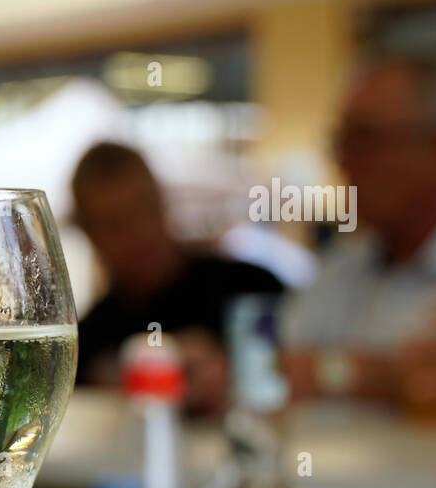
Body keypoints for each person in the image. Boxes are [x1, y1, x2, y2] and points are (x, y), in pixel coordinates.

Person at [280, 54, 436, 407]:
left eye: (365, 139)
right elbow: (278, 367)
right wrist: (387, 376)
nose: (342, 161)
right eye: (341, 140)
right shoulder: (344, 264)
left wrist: (334, 373)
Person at [68, 142, 284, 412]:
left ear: (163, 201)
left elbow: (301, 372)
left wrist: (237, 376)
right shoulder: (84, 346)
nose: (138, 232)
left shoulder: (251, 288)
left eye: (144, 208)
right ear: (90, 234)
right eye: (115, 224)